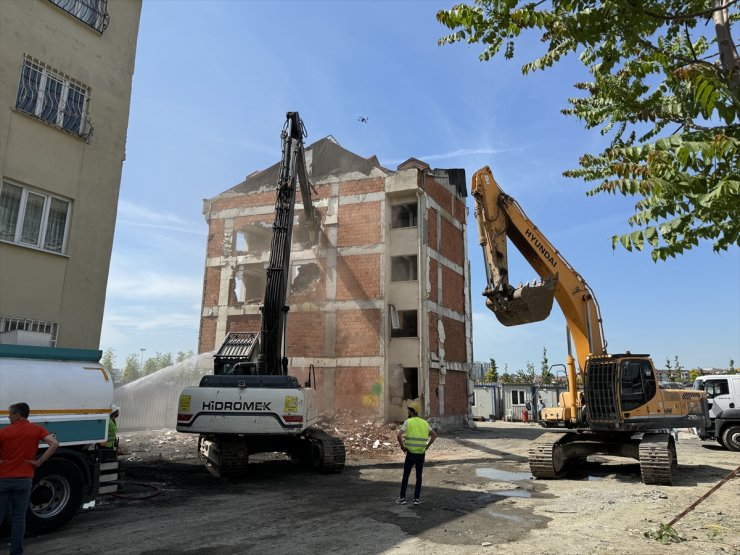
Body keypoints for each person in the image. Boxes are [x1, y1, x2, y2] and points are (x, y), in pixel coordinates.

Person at [0, 402, 59, 555]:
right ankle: (16, 552)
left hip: (4, 479)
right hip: (25, 479)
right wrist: (39, 462)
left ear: (17, 415)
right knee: (19, 518)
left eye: (10, 414)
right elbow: (54, 443)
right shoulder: (37, 429)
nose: (8, 416)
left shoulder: (4, 432)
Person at [396, 401, 437, 506]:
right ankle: (416, 499)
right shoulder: (424, 423)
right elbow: (434, 435)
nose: (408, 412)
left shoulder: (408, 422)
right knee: (419, 477)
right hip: (421, 454)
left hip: (410, 453)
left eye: (409, 410)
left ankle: (402, 498)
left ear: (412, 411)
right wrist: (426, 446)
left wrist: (402, 447)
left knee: (406, 475)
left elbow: (399, 435)